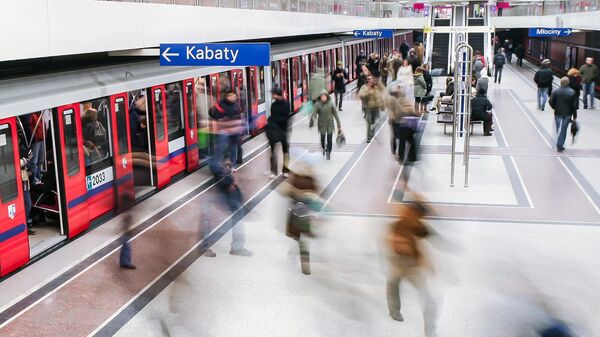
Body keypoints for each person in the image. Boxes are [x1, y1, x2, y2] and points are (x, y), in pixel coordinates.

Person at [385, 197, 437, 337]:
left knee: (427, 297)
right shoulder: (397, 226)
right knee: (393, 284)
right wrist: (402, 246)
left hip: (413, 265)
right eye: (417, 215)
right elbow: (395, 245)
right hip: (399, 262)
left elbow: (430, 235)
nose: (419, 218)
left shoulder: (418, 226)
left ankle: (430, 331)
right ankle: (394, 310)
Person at [209, 158, 252, 256]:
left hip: (231, 193)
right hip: (228, 194)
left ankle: (237, 247)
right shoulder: (216, 160)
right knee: (238, 215)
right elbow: (226, 179)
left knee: (238, 215)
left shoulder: (218, 157)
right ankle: (237, 248)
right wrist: (232, 178)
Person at [283, 161, 320, 275]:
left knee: (302, 239)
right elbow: (285, 192)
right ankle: (300, 257)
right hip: (296, 213)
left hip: (304, 215)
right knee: (298, 237)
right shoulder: (296, 178)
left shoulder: (310, 179)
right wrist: (300, 193)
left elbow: (316, 195)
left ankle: (304, 262)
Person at [209, 90, 245, 168]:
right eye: (233, 96)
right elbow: (212, 113)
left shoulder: (236, 105)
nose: (234, 98)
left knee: (233, 148)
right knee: (222, 148)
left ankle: (232, 165)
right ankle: (219, 166)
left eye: (235, 97)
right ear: (228, 96)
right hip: (224, 131)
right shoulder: (221, 104)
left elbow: (240, 117)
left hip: (233, 131)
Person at [267, 88, 292, 178]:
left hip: (283, 130)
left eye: (274, 94)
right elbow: (272, 116)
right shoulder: (273, 105)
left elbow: (287, 117)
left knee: (285, 151)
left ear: (278, 95)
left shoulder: (286, 104)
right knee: (273, 151)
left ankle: (285, 170)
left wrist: (275, 119)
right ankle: (273, 171)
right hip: (274, 131)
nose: (273, 96)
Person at [311, 90, 342, 160]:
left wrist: (339, 124)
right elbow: (314, 113)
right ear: (320, 97)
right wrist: (313, 118)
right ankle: (323, 147)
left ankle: (328, 151)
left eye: (324, 96)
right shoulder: (317, 104)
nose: (323, 97)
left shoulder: (331, 103)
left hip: (330, 123)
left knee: (329, 138)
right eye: (322, 96)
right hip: (321, 124)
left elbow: (335, 114)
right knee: (322, 139)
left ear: (327, 96)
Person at [549, 77, 577, 152]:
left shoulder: (555, 91)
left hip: (558, 113)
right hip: (567, 114)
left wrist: (555, 107)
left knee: (558, 128)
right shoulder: (572, 92)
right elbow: (574, 106)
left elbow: (551, 101)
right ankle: (560, 144)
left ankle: (558, 141)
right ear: (568, 83)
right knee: (563, 130)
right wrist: (574, 116)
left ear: (561, 83)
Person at [359, 76, 384, 143]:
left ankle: (371, 134)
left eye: (372, 79)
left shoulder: (376, 87)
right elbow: (361, 96)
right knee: (369, 122)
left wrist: (382, 105)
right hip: (368, 108)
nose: (371, 80)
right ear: (367, 80)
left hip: (376, 108)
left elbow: (380, 96)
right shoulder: (364, 87)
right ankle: (368, 137)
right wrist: (368, 89)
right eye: (369, 79)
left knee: (374, 122)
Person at [119, 196, 136, 269]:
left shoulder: (126, 212)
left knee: (125, 247)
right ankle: (125, 263)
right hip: (125, 233)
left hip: (125, 232)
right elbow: (125, 223)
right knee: (126, 247)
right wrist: (128, 230)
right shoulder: (127, 213)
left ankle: (123, 262)